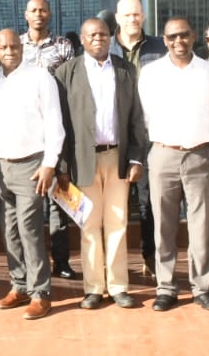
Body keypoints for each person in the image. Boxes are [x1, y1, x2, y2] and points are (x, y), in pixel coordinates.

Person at [55, 18, 147, 310]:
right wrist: (62, 167)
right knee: (90, 224)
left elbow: (136, 117)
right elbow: (59, 124)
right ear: (82, 40)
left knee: (118, 222)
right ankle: (93, 288)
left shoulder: (125, 70)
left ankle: (118, 287)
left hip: (117, 157)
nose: (98, 39)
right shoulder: (66, 73)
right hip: (82, 160)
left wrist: (136, 157)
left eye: (103, 34)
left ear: (111, 38)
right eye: (92, 35)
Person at [138, 17, 209, 311]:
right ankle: (166, 287)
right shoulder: (151, 74)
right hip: (164, 154)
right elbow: (146, 114)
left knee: (201, 226)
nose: (178, 41)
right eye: (172, 37)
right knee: (163, 226)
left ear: (193, 36)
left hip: (199, 155)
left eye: (184, 35)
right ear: (165, 40)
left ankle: (202, 288)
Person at [0, 28, 65, 320]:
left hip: (32, 165)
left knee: (29, 229)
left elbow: (55, 123)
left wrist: (49, 164)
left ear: (22, 47)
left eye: (14, 46)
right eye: (3, 47)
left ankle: (41, 293)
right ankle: (19, 285)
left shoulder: (40, 77)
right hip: (0, 165)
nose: (9, 51)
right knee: (9, 230)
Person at [20, 0, 77, 279]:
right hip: (28, 133)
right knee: (29, 205)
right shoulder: (17, 46)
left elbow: (71, 87)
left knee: (59, 202)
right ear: (26, 15)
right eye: (33, 10)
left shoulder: (64, 46)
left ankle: (61, 262)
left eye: (43, 9)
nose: (38, 14)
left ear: (50, 13)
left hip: (58, 129)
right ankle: (33, 265)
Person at [110, 0, 167, 277]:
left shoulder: (160, 47)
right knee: (114, 205)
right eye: (127, 15)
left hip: (148, 135)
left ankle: (150, 257)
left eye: (137, 14)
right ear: (117, 18)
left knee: (149, 202)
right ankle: (114, 263)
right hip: (114, 137)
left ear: (143, 16)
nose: (132, 19)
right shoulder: (105, 47)